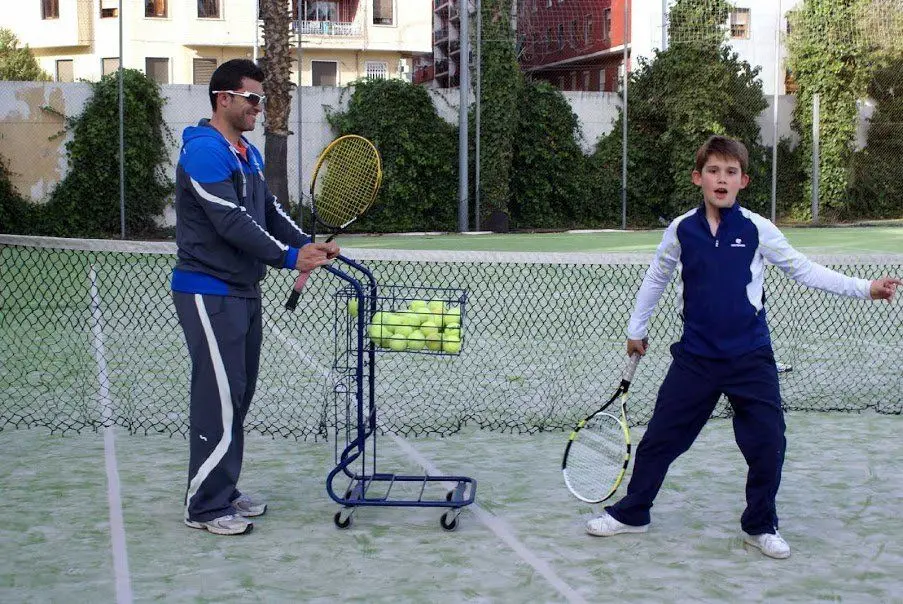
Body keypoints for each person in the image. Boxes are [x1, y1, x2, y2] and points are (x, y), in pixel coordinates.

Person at [585, 135, 900, 559]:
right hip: (695, 358)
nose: (722, 178)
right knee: (660, 439)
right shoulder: (681, 229)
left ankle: (759, 525)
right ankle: (633, 514)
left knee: (768, 443)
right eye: (713, 170)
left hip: (751, 358)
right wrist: (636, 328)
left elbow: (804, 271)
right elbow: (656, 280)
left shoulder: (757, 228)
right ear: (699, 178)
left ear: (743, 181)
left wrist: (867, 288)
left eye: (730, 172)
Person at [171, 59, 339, 535]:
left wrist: (306, 244)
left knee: (237, 396)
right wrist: (290, 259)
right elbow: (230, 221)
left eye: (260, 101)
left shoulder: (247, 154)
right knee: (218, 398)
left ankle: (222, 490)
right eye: (252, 99)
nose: (259, 109)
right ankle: (203, 506)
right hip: (207, 291)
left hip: (243, 291)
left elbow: (268, 210)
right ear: (223, 99)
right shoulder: (204, 152)